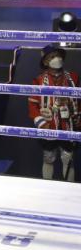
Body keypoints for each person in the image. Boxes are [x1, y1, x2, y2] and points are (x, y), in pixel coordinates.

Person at [28, 45, 80, 181]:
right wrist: (42, 123)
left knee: (68, 159)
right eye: (52, 57)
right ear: (45, 62)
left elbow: (79, 102)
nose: (57, 58)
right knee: (48, 158)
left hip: (69, 125)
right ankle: (47, 187)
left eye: (58, 55)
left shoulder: (73, 78)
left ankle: (69, 189)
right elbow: (33, 106)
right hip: (49, 125)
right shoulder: (38, 81)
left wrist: (78, 118)